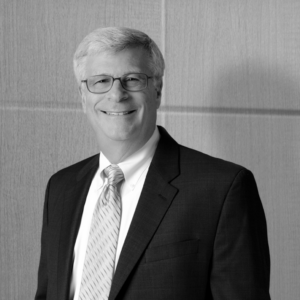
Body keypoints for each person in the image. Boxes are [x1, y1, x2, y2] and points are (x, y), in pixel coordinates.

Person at [35, 27, 271, 300]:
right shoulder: (61, 188)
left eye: (132, 79)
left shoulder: (222, 189)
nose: (116, 94)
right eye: (100, 81)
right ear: (82, 97)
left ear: (157, 89)